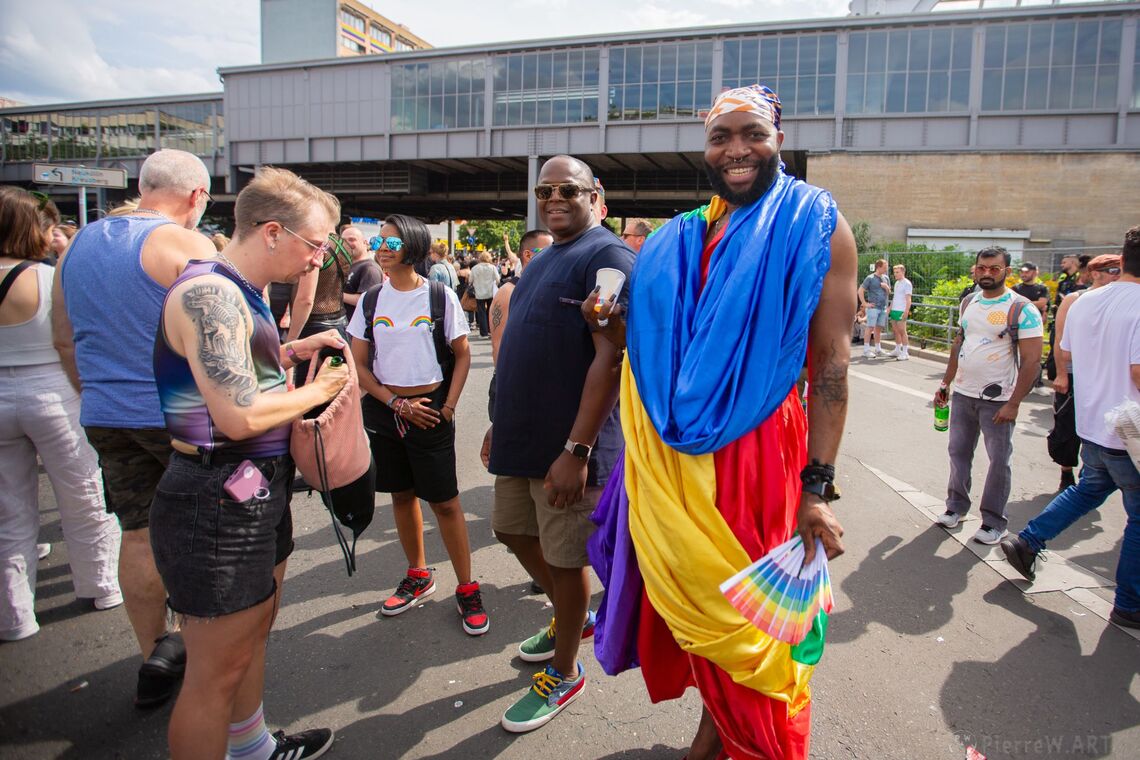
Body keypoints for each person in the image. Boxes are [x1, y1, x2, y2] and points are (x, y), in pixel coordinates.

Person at [584, 83, 855, 760]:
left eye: (752, 134)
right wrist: (620, 323)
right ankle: (715, 737)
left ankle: (757, 747)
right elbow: (669, 343)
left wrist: (816, 487)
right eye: (721, 138)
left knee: (748, 620)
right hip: (671, 458)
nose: (737, 150)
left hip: (760, 453)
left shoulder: (815, 223)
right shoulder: (679, 235)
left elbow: (830, 367)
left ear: (779, 141)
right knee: (698, 613)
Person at [151, 166, 348, 760]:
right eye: (315, 245)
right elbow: (236, 416)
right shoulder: (210, 294)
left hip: (247, 488)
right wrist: (318, 390)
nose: (319, 260)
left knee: (249, 636)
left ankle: (253, 747)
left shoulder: (239, 290)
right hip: (216, 496)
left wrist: (291, 350)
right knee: (215, 673)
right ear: (270, 232)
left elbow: (229, 376)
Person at [53, 148, 218, 707]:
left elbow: (62, 336)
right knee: (204, 532)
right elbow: (218, 345)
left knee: (140, 533)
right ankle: (205, 654)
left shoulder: (76, 245)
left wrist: (97, 393)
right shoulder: (186, 244)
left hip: (104, 414)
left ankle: (155, 650)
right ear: (196, 195)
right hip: (175, 417)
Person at [488, 155, 634, 732]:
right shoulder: (546, 255)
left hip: (570, 447)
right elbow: (527, 349)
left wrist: (577, 450)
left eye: (567, 189)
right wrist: (501, 421)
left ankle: (566, 668)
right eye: (544, 189)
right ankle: (570, 616)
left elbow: (612, 354)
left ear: (595, 195)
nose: (553, 197)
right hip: (522, 436)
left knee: (565, 559)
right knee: (509, 530)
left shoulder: (606, 256)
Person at [347, 215, 486, 635]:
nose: (383, 247)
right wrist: (393, 403)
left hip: (432, 414)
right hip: (385, 413)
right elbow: (358, 363)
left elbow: (461, 355)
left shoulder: (439, 297)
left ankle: (467, 586)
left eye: (392, 240)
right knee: (402, 497)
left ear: (413, 245)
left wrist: (447, 408)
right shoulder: (372, 300)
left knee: (445, 502)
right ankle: (418, 574)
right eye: (379, 240)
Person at [1001, 227, 1139, 630]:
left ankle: (1027, 540)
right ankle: (1129, 602)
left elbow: (1065, 352)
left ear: (1123, 258)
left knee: (1089, 488)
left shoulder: (1084, 301)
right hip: (1131, 430)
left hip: (1094, 420)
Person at [0, 187, 122, 642]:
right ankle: (101, 585)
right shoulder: (49, 277)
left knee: (9, 510)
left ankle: (15, 616)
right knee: (83, 493)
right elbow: (67, 340)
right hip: (52, 393)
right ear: (34, 229)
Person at [933, 246, 1044, 545]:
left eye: (994, 268)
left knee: (998, 462)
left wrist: (1014, 402)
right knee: (958, 453)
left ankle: (994, 522)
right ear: (975, 269)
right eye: (982, 267)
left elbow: (1033, 361)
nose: (987, 273)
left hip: (999, 401)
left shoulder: (1022, 308)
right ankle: (956, 507)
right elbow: (960, 343)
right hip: (964, 394)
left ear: (1007, 271)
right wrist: (945, 384)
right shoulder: (969, 302)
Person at [1047, 254, 1122, 491]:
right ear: (1095, 273)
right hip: (1073, 373)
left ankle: (1091, 474)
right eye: (1113, 270)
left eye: (1120, 269)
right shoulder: (1075, 299)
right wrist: (1060, 373)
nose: (1118, 275)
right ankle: (1066, 471)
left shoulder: (1122, 300)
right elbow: (1059, 339)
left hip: (1106, 376)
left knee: (1102, 428)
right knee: (1067, 426)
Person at [285, 218, 352, 381]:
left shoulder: (319, 246)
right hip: (340, 323)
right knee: (336, 387)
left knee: (310, 390)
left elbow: (306, 298)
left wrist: (291, 339)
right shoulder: (344, 245)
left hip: (313, 327)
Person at [340, 225, 382, 323]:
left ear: (365, 243)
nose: (346, 243)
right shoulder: (347, 265)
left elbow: (366, 301)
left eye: (351, 239)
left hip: (354, 330)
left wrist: (335, 295)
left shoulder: (369, 268)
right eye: (343, 240)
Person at [858, 258, 890, 357]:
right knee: (870, 327)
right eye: (884, 267)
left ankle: (878, 349)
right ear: (878, 267)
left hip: (882, 307)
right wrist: (864, 303)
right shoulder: (870, 278)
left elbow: (889, 292)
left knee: (878, 328)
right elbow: (860, 290)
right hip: (873, 307)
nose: (886, 269)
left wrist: (886, 287)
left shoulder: (886, 278)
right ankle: (866, 350)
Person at [469, 251, 497, 338]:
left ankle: (483, 333)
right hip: (490, 292)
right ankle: (490, 331)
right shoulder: (492, 267)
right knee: (490, 311)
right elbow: (498, 279)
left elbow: (470, 280)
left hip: (479, 293)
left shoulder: (475, 268)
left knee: (481, 313)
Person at [888, 263, 913, 361]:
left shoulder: (907, 283)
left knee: (902, 331)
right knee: (895, 331)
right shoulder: (897, 283)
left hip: (901, 310)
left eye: (897, 272)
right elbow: (895, 297)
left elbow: (908, 299)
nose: (895, 274)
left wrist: (906, 311)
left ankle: (905, 352)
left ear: (903, 272)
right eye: (894, 272)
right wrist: (890, 307)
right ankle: (897, 349)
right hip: (894, 309)